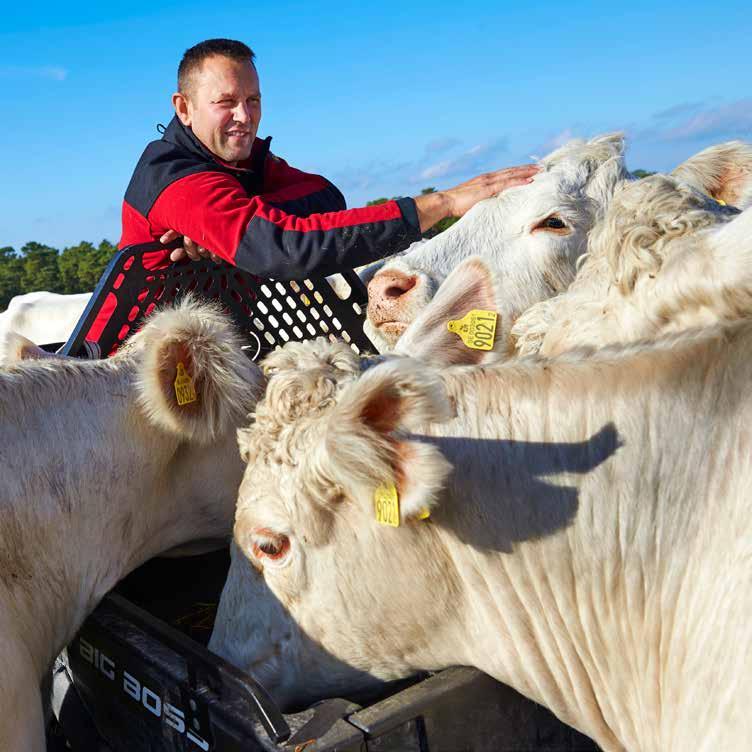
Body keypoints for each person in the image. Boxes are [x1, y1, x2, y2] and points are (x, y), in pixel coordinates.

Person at [87, 38, 537, 346]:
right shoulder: (177, 179)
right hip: (136, 369)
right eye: (226, 102)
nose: (244, 116)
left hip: (211, 356)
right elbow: (286, 245)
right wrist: (444, 202)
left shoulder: (246, 166)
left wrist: (240, 224)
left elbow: (325, 196)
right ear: (183, 108)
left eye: (254, 99)